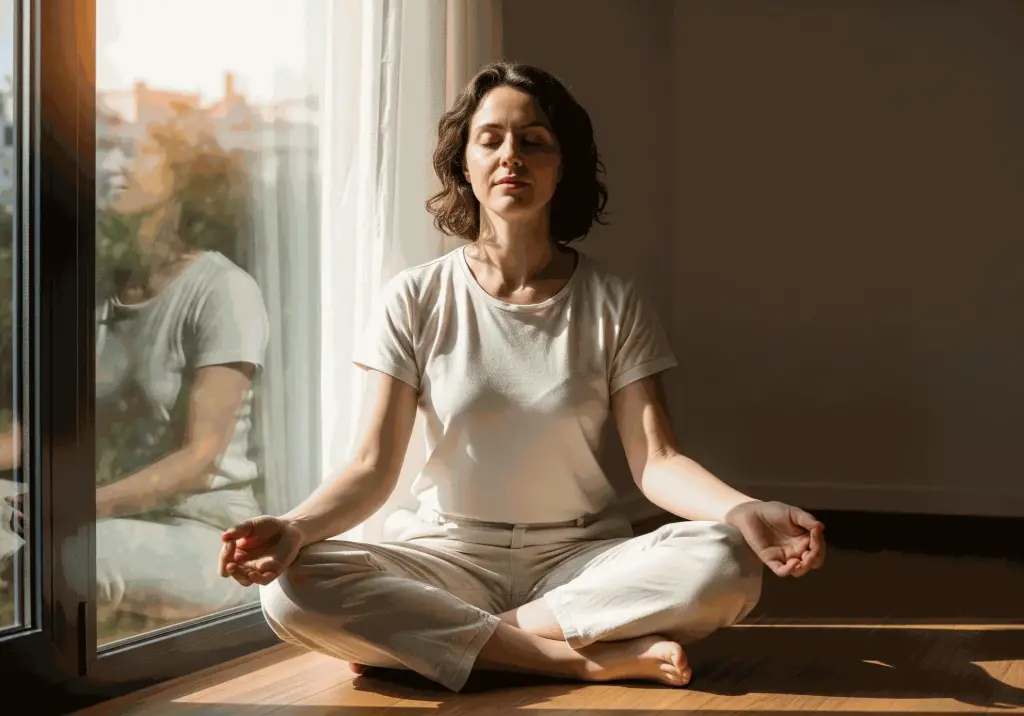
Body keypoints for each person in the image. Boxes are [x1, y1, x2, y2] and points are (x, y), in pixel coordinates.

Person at [219, 62, 827, 693]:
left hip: (579, 559)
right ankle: (575, 659)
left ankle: (454, 645)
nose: (512, 156)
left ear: (562, 167)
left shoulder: (614, 300)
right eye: (491, 139)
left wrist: (743, 508)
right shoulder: (416, 297)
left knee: (727, 561)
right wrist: (294, 528)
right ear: (465, 164)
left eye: (533, 141)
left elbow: (658, 460)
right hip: (447, 557)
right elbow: (372, 468)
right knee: (293, 587)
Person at [0, 121, 270, 628]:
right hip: (109, 513)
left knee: (65, 556)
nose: (108, 167)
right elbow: (36, 435)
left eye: (130, 151)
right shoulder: (99, 290)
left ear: (182, 178)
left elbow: (199, 460)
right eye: (105, 152)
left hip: (205, 532)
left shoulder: (223, 291)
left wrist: (75, 506)